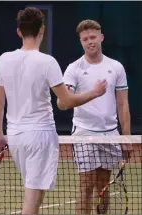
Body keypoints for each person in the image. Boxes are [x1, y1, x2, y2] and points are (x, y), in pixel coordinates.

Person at [0, 8, 108, 214]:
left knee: (37, 193)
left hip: (16, 137)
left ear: (19, 32)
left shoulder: (4, 59)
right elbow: (66, 101)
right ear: (42, 30)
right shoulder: (47, 62)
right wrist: (95, 93)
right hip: (40, 136)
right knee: (32, 196)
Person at [62, 19, 133, 214]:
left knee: (103, 187)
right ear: (81, 41)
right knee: (86, 186)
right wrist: (89, 92)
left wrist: (126, 137)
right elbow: (65, 101)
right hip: (84, 133)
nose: (90, 41)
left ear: (101, 37)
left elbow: (122, 104)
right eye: (85, 39)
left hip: (110, 134)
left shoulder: (116, 67)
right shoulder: (73, 68)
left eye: (93, 37)